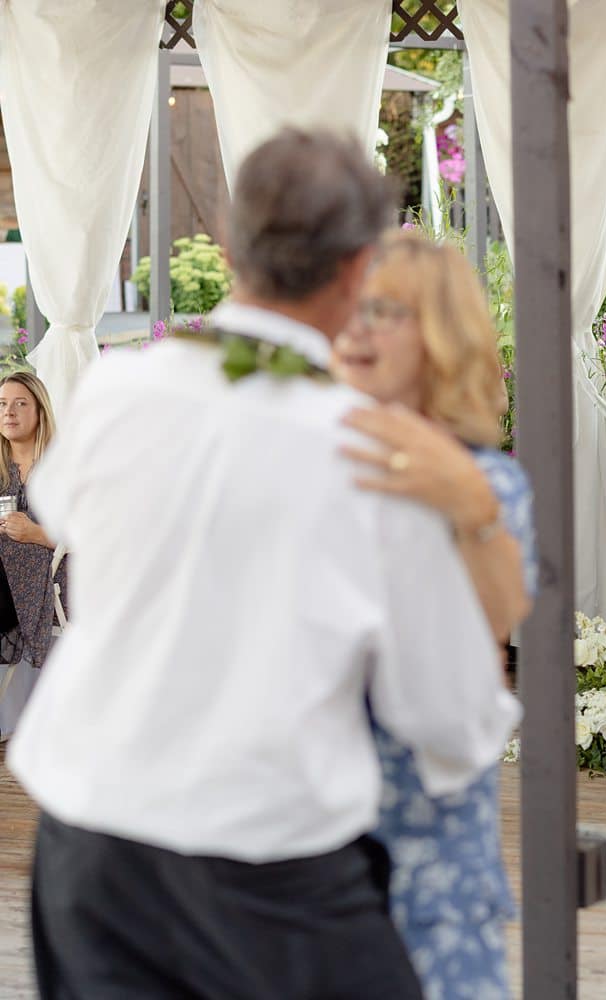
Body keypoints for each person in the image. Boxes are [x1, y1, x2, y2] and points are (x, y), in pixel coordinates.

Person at [10, 129, 518, 999]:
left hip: (87, 839)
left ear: (231, 242)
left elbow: (57, 512)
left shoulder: (123, 389)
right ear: (361, 269)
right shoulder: (381, 456)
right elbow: (453, 719)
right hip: (269, 861)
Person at [332, 229, 534, 1000]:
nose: (358, 327)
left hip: (428, 830)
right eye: (352, 307)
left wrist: (467, 505)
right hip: (297, 827)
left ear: (442, 335)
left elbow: (503, 614)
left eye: (386, 311)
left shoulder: (489, 481)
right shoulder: (304, 454)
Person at [0, 371, 65, 738]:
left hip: (44, 573)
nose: (9, 412)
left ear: (40, 412)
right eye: (2, 404)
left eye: (20, 403)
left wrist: (36, 534)